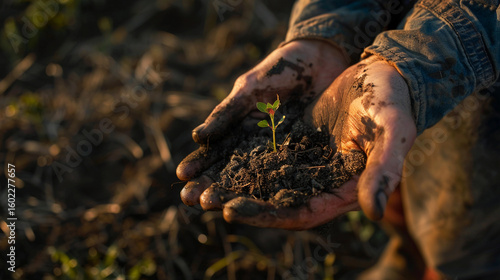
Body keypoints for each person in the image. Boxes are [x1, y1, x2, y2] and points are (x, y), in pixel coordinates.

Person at [177, 0, 500, 278]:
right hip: (397, 42)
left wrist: (412, 59)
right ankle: (406, 258)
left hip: (483, 70)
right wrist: (327, 32)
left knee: (461, 230)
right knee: (387, 178)